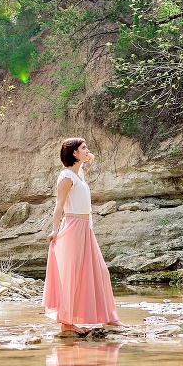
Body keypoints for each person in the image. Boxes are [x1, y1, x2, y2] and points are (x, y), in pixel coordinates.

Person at [42, 137, 122, 334]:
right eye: (84, 148)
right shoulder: (66, 177)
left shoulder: (78, 175)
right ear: (74, 153)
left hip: (86, 227)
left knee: (100, 272)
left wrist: (88, 158)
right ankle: (66, 324)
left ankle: (108, 318)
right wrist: (54, 230)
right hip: (74, 227)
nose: (88, 151)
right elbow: (59, 206)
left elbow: (87, 165)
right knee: (73, 275)